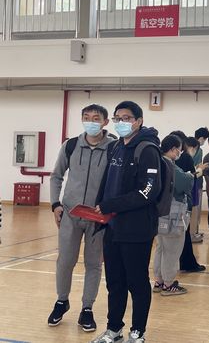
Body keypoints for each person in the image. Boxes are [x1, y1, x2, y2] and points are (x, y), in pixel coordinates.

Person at [91, 101, 162, 343]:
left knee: (137, 283)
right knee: (115, 282)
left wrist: (112, 205)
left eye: (127, 118)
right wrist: (100, 210)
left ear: (138, 121)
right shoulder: (114, 148)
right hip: (112, 228)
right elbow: (107, 183)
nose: (122, 122)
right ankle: (114, 329)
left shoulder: (147, 149)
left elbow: (148, 191)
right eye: (118, 118)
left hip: (137, 229)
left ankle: (138, 331)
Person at [48, 104, 115, 332]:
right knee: (65, 261)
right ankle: (61, 301)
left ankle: (87, 308)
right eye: (86, 117)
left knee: (94, 264)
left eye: (96, 118)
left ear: (105, 122)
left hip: (98, 217)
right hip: (70, 214)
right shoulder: (71, 145)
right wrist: (55, 204)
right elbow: (56, 176)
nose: (91, 122)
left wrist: (111, 210)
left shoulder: (114, 147)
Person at [152, 135, 193, 296]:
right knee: (172, 249)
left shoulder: (156, 162)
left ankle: (159, 281)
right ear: (174, 149)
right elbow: (184, 183)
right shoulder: (169, 165)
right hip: (172, 213)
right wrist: (192, 175)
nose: (179, 153)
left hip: (159, 212)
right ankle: (168, 284)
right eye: (179, 150)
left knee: (161, 248)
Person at [170, 132, 204, 273]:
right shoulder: (184, 157)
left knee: (166, 239)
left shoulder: (163, 159)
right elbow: (191, 179)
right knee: (183, 234)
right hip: (180, 202)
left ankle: (168, 270)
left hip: (166, 202)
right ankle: (186, 264)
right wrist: (199, 170)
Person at [191, 127, 209, 241]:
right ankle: (193, 233)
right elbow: (196, 166)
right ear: (202, 138)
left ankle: (195, 231)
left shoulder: (197, 149)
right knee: (195, 209)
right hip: (194, 181)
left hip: (196, 181)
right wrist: (201, 168)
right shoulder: (196, 149)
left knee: (196, 210)